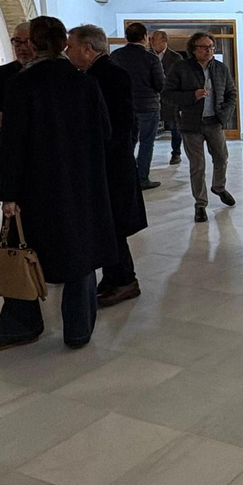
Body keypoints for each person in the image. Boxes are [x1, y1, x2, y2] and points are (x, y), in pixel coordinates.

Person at [0, 16, 118, 351]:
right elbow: (105, 133)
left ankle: (20, 326)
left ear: (36, 44)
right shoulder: (83, 82)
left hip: (34, 187)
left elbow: (14, 143)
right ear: (62, 44)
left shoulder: (22, 84)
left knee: (22, 249)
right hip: (78, 183)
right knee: (79, 254)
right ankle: (79, 329)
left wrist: (9, 193)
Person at [68, 23, 149, 307]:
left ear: (87, 49)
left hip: (111, 163)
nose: (67, 52)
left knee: (113, 222)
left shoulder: (107, 75)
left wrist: (104, 154)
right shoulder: (97, 74)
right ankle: (115, 277)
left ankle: (125, 279)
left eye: (71, 46)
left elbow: (121, 122)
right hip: (112, 160)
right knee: (109, 223)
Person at [165, 32, 238, 222]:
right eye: (204, 47)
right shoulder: (180, 68)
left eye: (211, 47)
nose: (209, 50)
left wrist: (225, 115)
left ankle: (219, 187)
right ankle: (200, 204)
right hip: (191, 124)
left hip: (214, 121)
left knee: (222, 158)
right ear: (193, 49)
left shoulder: (221, 68)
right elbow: (167, 94)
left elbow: (231, 93)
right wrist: (192, 96)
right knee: (197, 166)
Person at [110, 21, 165, 190]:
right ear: (144, 38)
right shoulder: (151, 58)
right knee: (147, 143)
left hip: (123, 105)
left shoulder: (116, 56)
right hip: (148, 106)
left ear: (127, 37)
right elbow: (159, 84)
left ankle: (124, 177)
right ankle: (142, 179)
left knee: (127, 143)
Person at [0, 21, 34, 175]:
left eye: (27, 42)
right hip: (10, 148)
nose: (22, 47)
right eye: (17, 41)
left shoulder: (50, 75)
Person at [150, 30, 184, 166]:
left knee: (175, 127)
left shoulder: (176, 58)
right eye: (151, 39)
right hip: (152, 98)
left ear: (164, 40)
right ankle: (146, 154)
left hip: (170, 98)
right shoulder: (148, 56)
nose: (151, 41)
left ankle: (176, 153)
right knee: (150, 128)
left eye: (154, 39)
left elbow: (179, 79)